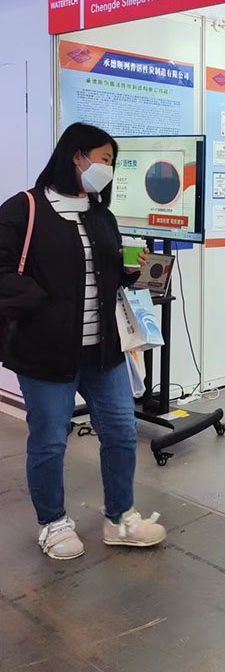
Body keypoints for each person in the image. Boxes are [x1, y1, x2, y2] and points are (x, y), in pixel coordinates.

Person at [0, 123, 166, 559]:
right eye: (105, 159)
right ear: (77, 156)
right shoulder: (25, 208)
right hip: (46, 352)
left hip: (103, 352)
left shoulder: (100, 215)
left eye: (112, 162)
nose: (108, 169)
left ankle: (120, 518)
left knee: (121, 432)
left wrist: (127, 271)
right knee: (50, 440)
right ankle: (53, 523)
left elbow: (98, 274)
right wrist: (39, 302)